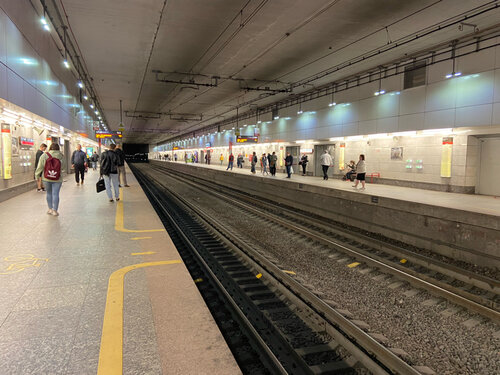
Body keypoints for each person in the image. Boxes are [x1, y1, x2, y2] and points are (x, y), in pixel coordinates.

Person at [35, 143, 65, 216]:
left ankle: (50, 209)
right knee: (56, 194)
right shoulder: (61, 156)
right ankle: (55, 210)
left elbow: (40, 167)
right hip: (58, 178)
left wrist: (37, 175)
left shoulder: (44, 155)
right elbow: (63, 167)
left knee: (49, 193)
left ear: (50, 148)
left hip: (46, 178)